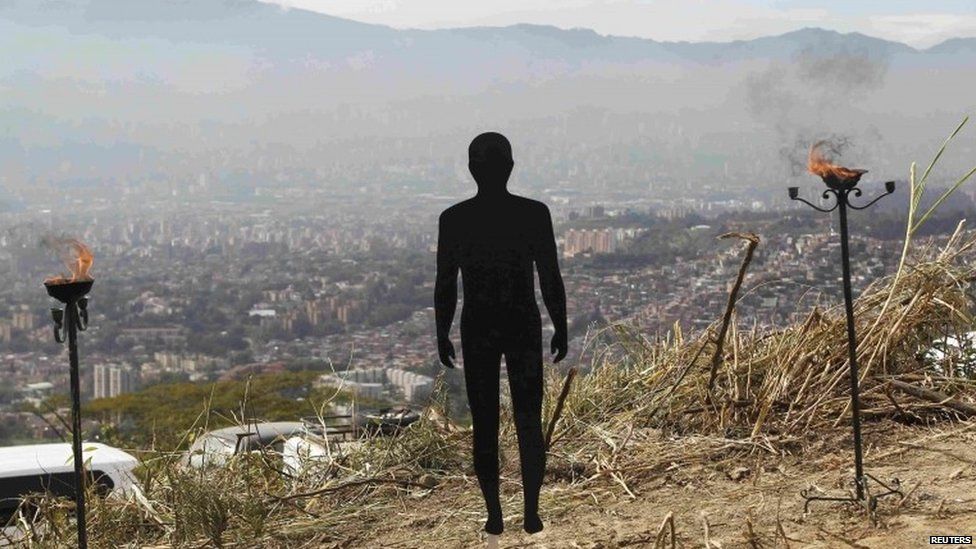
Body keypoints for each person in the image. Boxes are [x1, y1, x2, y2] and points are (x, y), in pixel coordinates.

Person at [434, 131, 568, 537]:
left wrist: (442, 330)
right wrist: (560, 324)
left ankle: (494, 514)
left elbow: (445, 284)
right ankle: (531, 513)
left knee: (485, 423)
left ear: (472, 169)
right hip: (523, 323)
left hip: (477, 327)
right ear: (510, 166)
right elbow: (550, 277)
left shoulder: (454, 219)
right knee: (529, 419)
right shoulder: (533, 214)